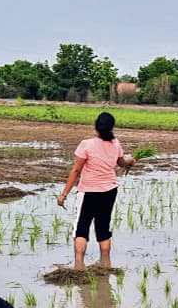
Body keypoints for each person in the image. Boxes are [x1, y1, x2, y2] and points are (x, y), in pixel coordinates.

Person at [56, 112, 135, 269]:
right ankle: (105, 264)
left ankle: (79, 266)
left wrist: (64, 194)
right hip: (110, 191)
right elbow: (122, 163)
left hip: (88, 192)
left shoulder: (86, 144)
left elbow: (76, 171)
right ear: (111, 127)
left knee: (82, 227)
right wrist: (130, 162)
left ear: (96, 126)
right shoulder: (116, 143)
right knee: (103, 227)